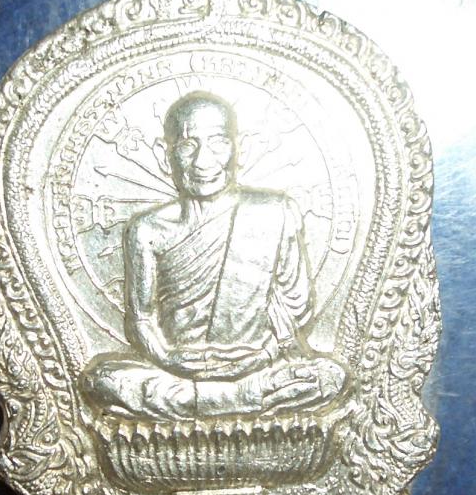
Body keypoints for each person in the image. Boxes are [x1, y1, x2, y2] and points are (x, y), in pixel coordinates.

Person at [81, 91, 344, 420]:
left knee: (330, 377)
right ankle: (239, 401)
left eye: (218, 142)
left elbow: (295, 310)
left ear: (239, 148)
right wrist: (167, 358)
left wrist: (261, 357)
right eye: (188, 145)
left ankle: (205, 401)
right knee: (101, 381)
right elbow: (141, 320)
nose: (203, 161)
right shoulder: (147, 230)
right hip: (176, 372)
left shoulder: (274, 212)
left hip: (257, 367)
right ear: (165, 155)